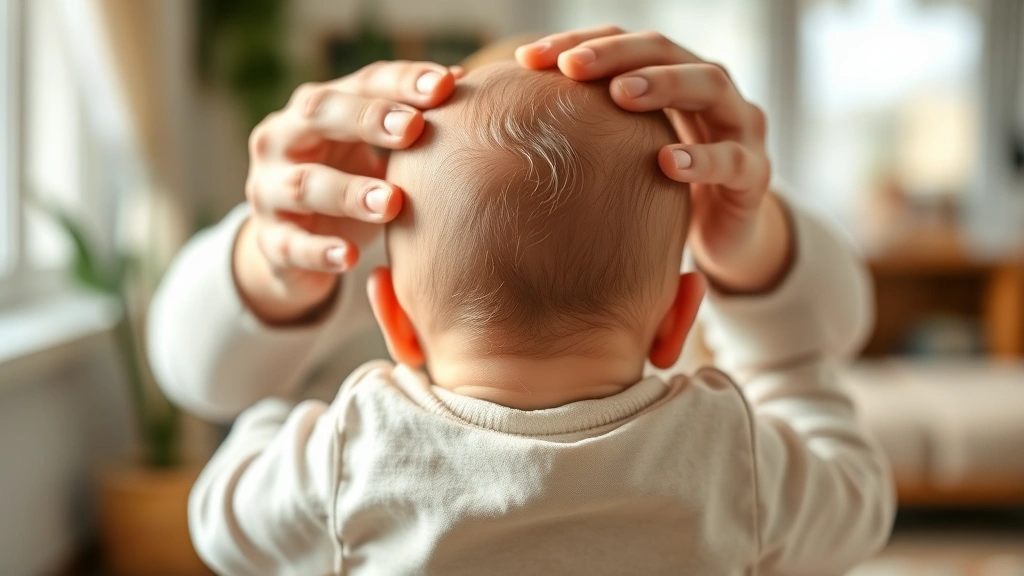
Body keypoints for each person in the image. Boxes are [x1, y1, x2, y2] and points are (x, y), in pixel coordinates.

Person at [150, 27, 894, 574]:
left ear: (395, 322)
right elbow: (856, 498)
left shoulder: (350, 449)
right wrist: (786, 363)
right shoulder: (728, 452)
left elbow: (221, 520)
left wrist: (277, 410)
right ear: (679, 316)